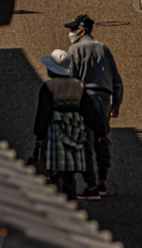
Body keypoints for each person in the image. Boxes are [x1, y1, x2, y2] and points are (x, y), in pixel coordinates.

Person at [34, 49, 107, 201]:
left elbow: (44, 114)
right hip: (75, 132)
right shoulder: (78, 86)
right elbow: (90, 112)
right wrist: (101, 132)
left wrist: (40, 136)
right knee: (69, 173)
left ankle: (57, 204)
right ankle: (71, 201)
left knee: (55, 171)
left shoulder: (48, 87)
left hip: (55, 133)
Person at [66, 14, 124, 200]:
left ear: (81, 31)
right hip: (105, 99)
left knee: (86, 143)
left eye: (73, 29)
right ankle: (102, 182)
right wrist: (116, 103)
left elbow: (72, 79)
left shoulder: (74, 49)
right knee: (102, 138)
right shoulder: (103, 49)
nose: (71, 33)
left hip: (86, 98)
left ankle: (90, 186)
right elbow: (117, 80)